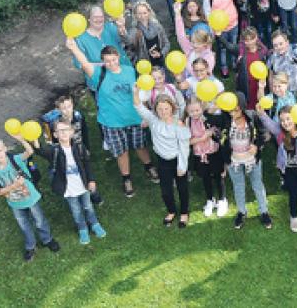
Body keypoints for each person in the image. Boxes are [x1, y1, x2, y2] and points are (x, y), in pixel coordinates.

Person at [67, 40, 155, 197]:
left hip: (134, 118)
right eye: (107, 61)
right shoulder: (98, 74)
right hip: (111, 122)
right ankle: (126, 179)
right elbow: (84, 63)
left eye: (113, 59)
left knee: (141, 145)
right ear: (103, 61)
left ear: (118, 57)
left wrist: (145, 112)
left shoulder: (129, 70)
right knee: (121, 152)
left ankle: (149, 168)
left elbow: (139, 92)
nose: (111, 63)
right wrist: (74, 48)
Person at [0, 135, 60, 261]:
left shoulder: (15, 159)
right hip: (15, 203)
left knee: (39, 220)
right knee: (24, 224)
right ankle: (30, 246)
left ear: (5, 148)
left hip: (30, 198)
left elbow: (30, 151)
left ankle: (47, 240)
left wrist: (21, 140)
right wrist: (14, 186)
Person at [34, 121, 107, 245]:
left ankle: (94, 223)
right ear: (55, 135)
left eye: (66, 129)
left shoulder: (79, 147)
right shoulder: (54, 151)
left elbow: (87, 165)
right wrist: (34, 138)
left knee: (88, 206)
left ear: (72, 132)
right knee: (76, 210)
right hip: (68, 189)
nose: (63, 132)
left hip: (83, 186)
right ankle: (82, 228)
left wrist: (91, 180)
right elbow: (39, 151)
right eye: (60, 130)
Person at [132, 86, 192, 227]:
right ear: (156, 110)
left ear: (171, 108)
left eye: (166, 108)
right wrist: (136, 93)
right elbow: (139, 107)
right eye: (160, 109)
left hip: (177, 160)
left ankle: (184, 212)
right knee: (165, 191)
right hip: (163, 161)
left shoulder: (178, 123)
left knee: (182, 188)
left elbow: (184, 147)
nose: (163, 112)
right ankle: (171, 211)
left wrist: (182, 166)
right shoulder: (153, 120)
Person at [258, 105, 297, 232]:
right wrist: (262, 113)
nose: (285, 123)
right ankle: (294, 217)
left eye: (288, 119)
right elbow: (270, 124)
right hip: (288, 172)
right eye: (282, 120)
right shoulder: (280, 133)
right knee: (293, 195)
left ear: (296, 118)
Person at [225, 93, 272, 230]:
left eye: (236, 109)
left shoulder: (252, 117)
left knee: (257, 184)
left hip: (252, 159)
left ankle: (264, 211)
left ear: (243, 108)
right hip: (234, 161)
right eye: (230, 110)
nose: (232, 113)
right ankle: (241, 211)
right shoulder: (226, 120)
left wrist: (257, 146)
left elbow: (265, 134)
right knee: (238, 186)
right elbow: (220, 138)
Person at [186, 100, 227, 219]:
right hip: (199, 154)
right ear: (187, 111)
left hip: (213, 152)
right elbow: (187, 141)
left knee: (219, 176)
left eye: (197, 110)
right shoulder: (188, 122)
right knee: (205, 177)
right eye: (191, 111)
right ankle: (210, 199)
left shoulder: (207, 118)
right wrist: (202, 137)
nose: (195, 113)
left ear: (201, 109)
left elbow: (217, 133)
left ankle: (222, 199)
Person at [203, 0, 240, 77]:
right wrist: (213, 29)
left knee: (233, 44)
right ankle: (224, 67)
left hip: (233, 24)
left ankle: (234, 64)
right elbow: (208, 13)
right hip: (220, 28)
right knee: (223, 48)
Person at [126, 1, 170, 66]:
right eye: (139, 13)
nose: (142, 16)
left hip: (160, 62)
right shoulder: (134, 31)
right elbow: (129, 50)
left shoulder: (157, 26)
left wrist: (161, 53)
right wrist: (139, 62)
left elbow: (166, 43)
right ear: (135, 15)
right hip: (145, 66)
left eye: (145, 13)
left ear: (149, 12)